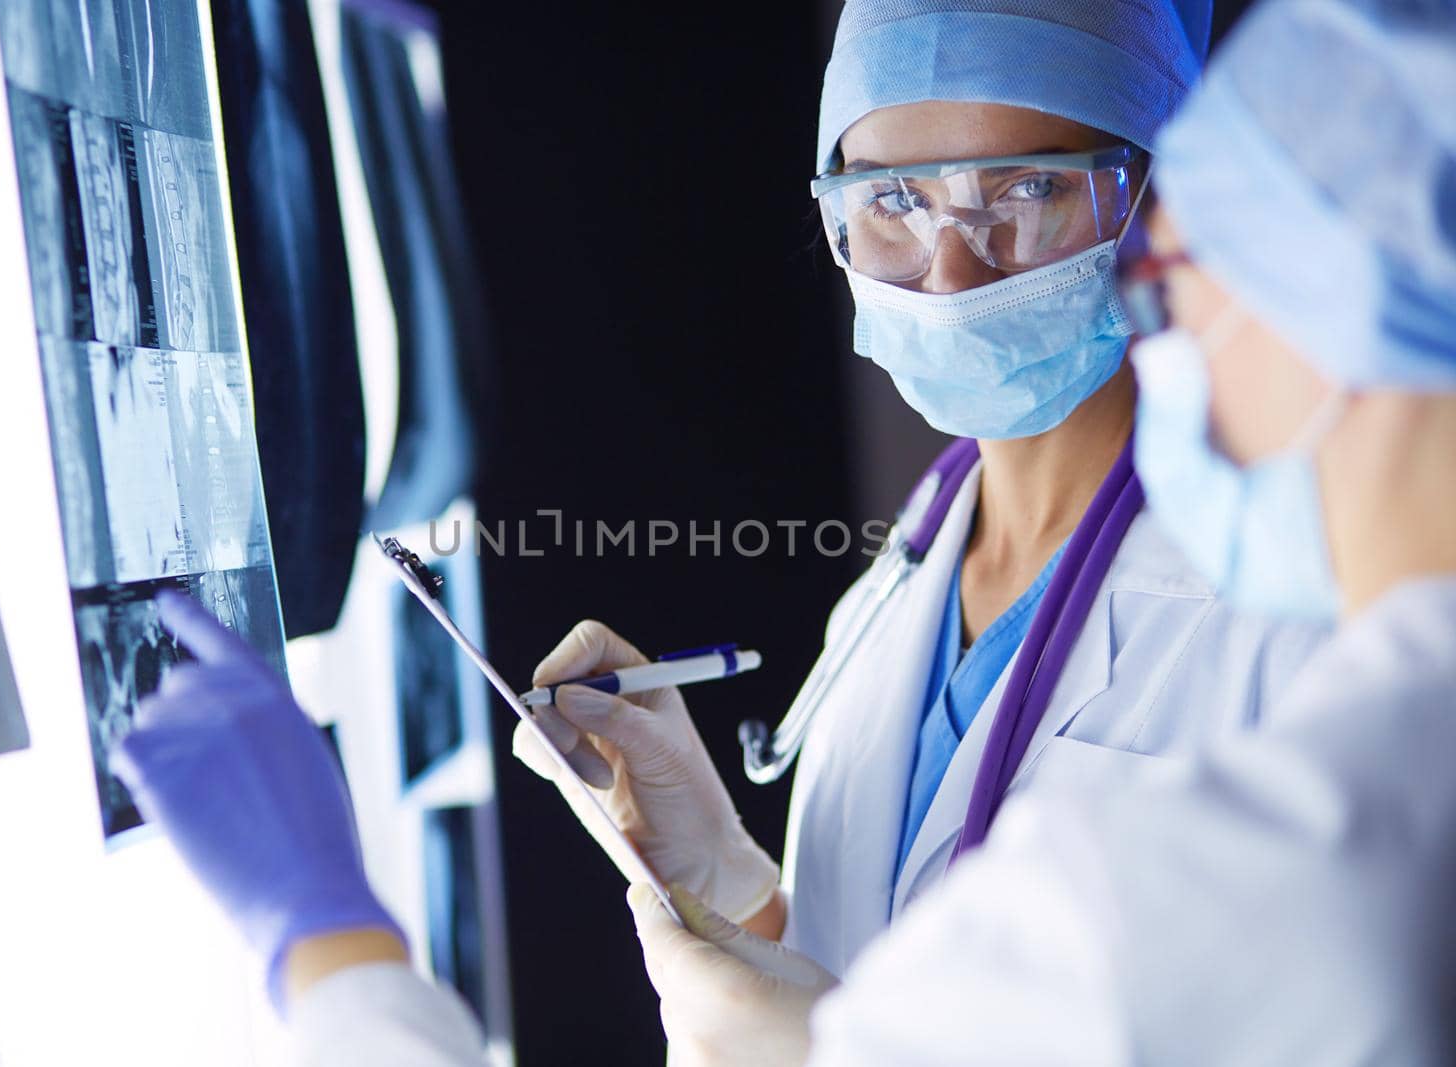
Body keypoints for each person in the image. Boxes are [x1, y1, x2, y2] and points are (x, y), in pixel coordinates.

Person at [511, 0, 1324, 985]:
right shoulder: (900, 578)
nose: (949, 273)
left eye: (1027, 187)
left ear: (1160, 197)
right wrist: (728, 885)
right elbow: (872, 972)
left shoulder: (1296, 599)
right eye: (894, 200)